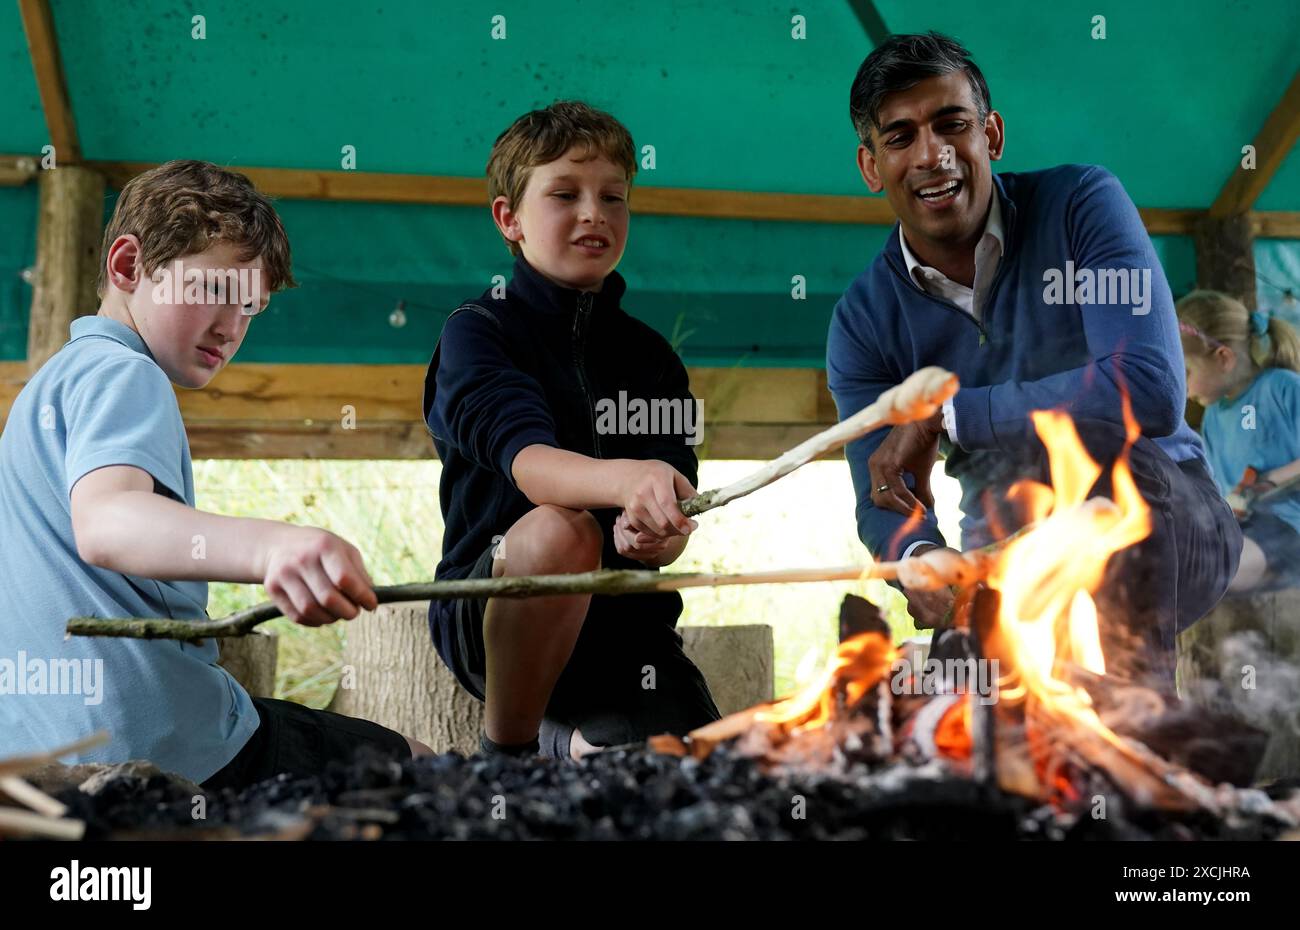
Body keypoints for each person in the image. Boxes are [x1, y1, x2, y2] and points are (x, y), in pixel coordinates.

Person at [825, 33, 1241, 683]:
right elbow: (882, 493)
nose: (931, 155)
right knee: (975, 701)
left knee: (1110, 474)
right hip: (1003, 553)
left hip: (1168, 519)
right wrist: (919, 557)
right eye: (900, 137)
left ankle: (1136, 738)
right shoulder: (861, 320)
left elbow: (1151, 389)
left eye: (951, 124)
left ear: (991, 134)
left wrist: (950, 414)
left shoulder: (1081, 205)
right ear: (871, 166)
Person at [0, 160, 428, 789]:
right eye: (216, 293)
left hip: (38, 751)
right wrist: (275, 545)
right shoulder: (126, 372)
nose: (233, 328)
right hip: (157, 742)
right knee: (429, 769)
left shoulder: (46, 391)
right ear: (127, 267)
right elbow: (109, 521)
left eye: (250, 307)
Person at [423, 101, 721, 760]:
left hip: (629, 636)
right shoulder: (478, 329)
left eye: (613, 197)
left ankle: (581, 742)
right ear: (510, 219)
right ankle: (509, 754)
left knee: (689, 776)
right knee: (560, 531)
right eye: (565, 194)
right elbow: (527, 461)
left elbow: (674, 506)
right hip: (498, 606)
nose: (595, 212)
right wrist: (625, 482)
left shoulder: (654, 358)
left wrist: (652, 534)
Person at [1177, 290, 1300, 592]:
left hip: (1290, 529)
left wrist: (1269, 481)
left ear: (1223, 358)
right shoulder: (1214, 417)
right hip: (1242, 529)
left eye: (1186, 372)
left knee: (1216, 567)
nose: (1181, 387)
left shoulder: (1283, 388)